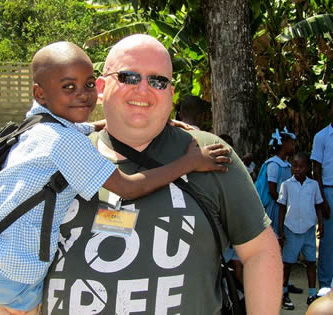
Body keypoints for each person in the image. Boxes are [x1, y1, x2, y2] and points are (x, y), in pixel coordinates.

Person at [0, 41, 231, 315]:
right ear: (40, 93)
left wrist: (146, 120)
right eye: (68, 87)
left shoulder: (36, 126)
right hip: (19, 274)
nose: (83, 95)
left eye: (87, 85)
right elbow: (129, 187)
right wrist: (190, 162)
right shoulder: (64, 143)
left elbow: (78, 128)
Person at [42, 34, 282, 314]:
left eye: (158, 81)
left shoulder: (208, 153)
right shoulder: (54, 153)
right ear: (101, 86)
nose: (143, 90)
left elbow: (260, 252)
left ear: (170, 93)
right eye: (129, 77)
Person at [278, 152, 324, 310]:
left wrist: (321, 224)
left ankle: (312, 294)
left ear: (307, 168)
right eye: (294, 166)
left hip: (309, 229)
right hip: (291, 229)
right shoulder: (286, 185)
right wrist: (280, 231)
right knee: (288, 263)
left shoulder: (313, 185)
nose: (297, 169)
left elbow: (318, 205)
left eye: (301, 166)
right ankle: (284, 294)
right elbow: (282, 208)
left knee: (311, 262)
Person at [311, 101, 333, 293]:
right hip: (329, 190)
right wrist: (322, 199)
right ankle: (325, 286)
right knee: (327, 241)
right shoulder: (322, 137)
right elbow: (316, 169)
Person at [260, 127, 296, 236]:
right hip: (274, 207)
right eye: (292, 143)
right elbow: (272, 190)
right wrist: (282, 204)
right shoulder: (274, 164)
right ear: (284, 144)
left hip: (283, 206)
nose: (294, 147)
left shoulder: (287, 165)